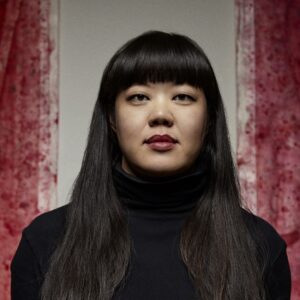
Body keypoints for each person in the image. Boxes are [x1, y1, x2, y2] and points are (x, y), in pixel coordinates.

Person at [11, 30, 291, 300]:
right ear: (111, 118)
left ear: (209, 120)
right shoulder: (46, 241)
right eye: (139, 97)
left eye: (182, 96)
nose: (160, 114)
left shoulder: (260, 246)